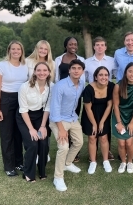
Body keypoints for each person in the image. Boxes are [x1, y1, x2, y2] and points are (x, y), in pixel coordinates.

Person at [0, 40, 28, 177]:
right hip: (6, 101)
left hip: (21, 100)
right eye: (13, 49)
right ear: (9, 51)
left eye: (18, 49)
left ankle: (19, 162)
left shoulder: (25, 66)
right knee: (7, 135)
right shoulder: (1, 66)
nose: (15, 51)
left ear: (22, 51)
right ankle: (9, 166)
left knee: (19, 134)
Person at [49, 59, 85, 192]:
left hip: (72, 118)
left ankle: (67, 163)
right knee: (63, 147)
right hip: (58, 120)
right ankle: (57, 177)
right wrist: (61, 129)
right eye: (73, 68)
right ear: (69, 70)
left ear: (82, 71)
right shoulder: (60, 85)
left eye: (79, 68)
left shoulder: (81, 84)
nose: (76, 70)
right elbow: (55, 108)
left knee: (79, 142)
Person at [16, 62, 54, 182]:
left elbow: (47, 108)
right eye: (39, 70)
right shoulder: (25, 87)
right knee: (32, 144)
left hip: (41, 116)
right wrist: (31, 129)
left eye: (44, 70)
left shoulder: (52, 86)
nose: (42, 73)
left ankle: (42, 171)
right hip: (25, 117)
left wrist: (43, 127)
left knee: (43, 143)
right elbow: (23, 110)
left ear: (48, 72)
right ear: (35, 72)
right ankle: (28, 172)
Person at [84, 36, 116, 161]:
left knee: (104, 128)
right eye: (97, 45)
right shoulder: (87, 62)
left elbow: (115, 74)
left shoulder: (112, 61)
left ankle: (107, 152)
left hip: (106, 94)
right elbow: (84, 78)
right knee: (93, 132)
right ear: (94, 46)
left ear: (105, 47)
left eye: (102, 45)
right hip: (93, 95)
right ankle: (93, 155)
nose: (100, 47)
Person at [54, 37, 85, 162]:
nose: (73, 46)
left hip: (75, 93)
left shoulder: (81, 59)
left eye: (75, 44)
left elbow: (82, 78)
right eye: (70, 44)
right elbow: (56, 77)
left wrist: (79, 93)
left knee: (73, 119)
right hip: (62, 91)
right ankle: (63, 143)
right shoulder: (59, 59)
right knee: (61, 118)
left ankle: (74, 152)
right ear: (66, 45)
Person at [112, 63, 133, 174]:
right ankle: (123, 162)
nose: (132, 74)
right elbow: (115, 105)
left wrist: (132, 122)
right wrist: (119, 122)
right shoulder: (118, 86)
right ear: (126, 72)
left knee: (129, 143)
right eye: (130, 71)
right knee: (121, 143)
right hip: (119, 115)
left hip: (131, 115)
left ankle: (130, 162)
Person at [81, 66, 115, 174]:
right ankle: (93, 162)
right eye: (101, 75)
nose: (103, 77)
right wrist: (95, 124)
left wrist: (102, 122)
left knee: (104, 137)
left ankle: (105, 161)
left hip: (104, 114)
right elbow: (87, 108)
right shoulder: (89, 89)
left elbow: (110, 105)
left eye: (106, 75)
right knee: (92, 137)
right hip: (90, 115)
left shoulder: (111, 86)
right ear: (95, 76)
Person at [26, 40, 55, 163]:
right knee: (31, 128)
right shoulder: (28, 62)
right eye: (41, 48)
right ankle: (34, 153)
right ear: (36, 49)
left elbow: (54, 81)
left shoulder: (52, 63)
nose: (43, 51)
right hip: (31, 98)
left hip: (46, 98)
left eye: (46, 49)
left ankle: (44, 152)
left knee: (45, 128)